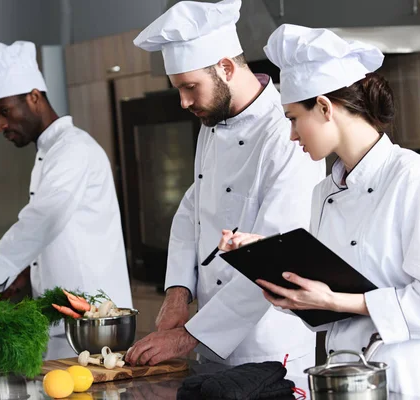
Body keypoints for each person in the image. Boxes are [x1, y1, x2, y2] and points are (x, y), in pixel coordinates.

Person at [219, 24, 420, 397]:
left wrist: (332, 300)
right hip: (350, 379)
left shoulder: (413, 178)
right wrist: (271, 264)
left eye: (292, 118)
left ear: (323, 107)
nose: (292, 135)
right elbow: (329, 300)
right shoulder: (325, 191)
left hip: (413, 381)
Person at [125, 0, 325, 376]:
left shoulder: (287, 135)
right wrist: (178, 293)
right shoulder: (213, 124)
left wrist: (186, 336)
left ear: (226, 68)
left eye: (190, 87)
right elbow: (193, 210)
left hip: (268, 352)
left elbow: (275, 257)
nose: (184, 102)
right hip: (210, 346)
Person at [0, 41, 133, 359]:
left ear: (34, 97)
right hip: (62, 323)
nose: (0, 125)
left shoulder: (73, 149)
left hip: (92, 326)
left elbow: (44, 218)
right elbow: (58, 232)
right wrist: (20, 278)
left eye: (4, 112)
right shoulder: (49, 152)